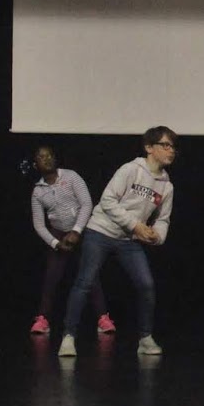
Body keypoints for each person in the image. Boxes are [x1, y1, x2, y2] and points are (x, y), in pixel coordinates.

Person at [58, 127, 176, 357]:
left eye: (172, 146)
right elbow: (107, 201)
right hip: (100, 232)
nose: (170, 150)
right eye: (165, 145)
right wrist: (135, 225)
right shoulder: (130, 170)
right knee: (85, 281)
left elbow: (163, 219)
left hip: (128, 240)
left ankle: (145, 338)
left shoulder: (166, 186)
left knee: (146, 284)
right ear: (149, 148)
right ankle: (68, 337)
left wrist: (156, 235)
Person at [26, 146, 113, 337]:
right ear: (36, 164)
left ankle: (103, 318)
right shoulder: (38, 192)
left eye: (50, 155)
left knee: (91, 275)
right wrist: (55, 243)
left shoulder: (71, 176)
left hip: (82, 231)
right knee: (52, 277)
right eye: (41, 157)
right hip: (58, 234)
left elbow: (86, 203)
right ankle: (43, 319)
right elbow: (39, 224)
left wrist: (76, 231)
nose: (47, 159)